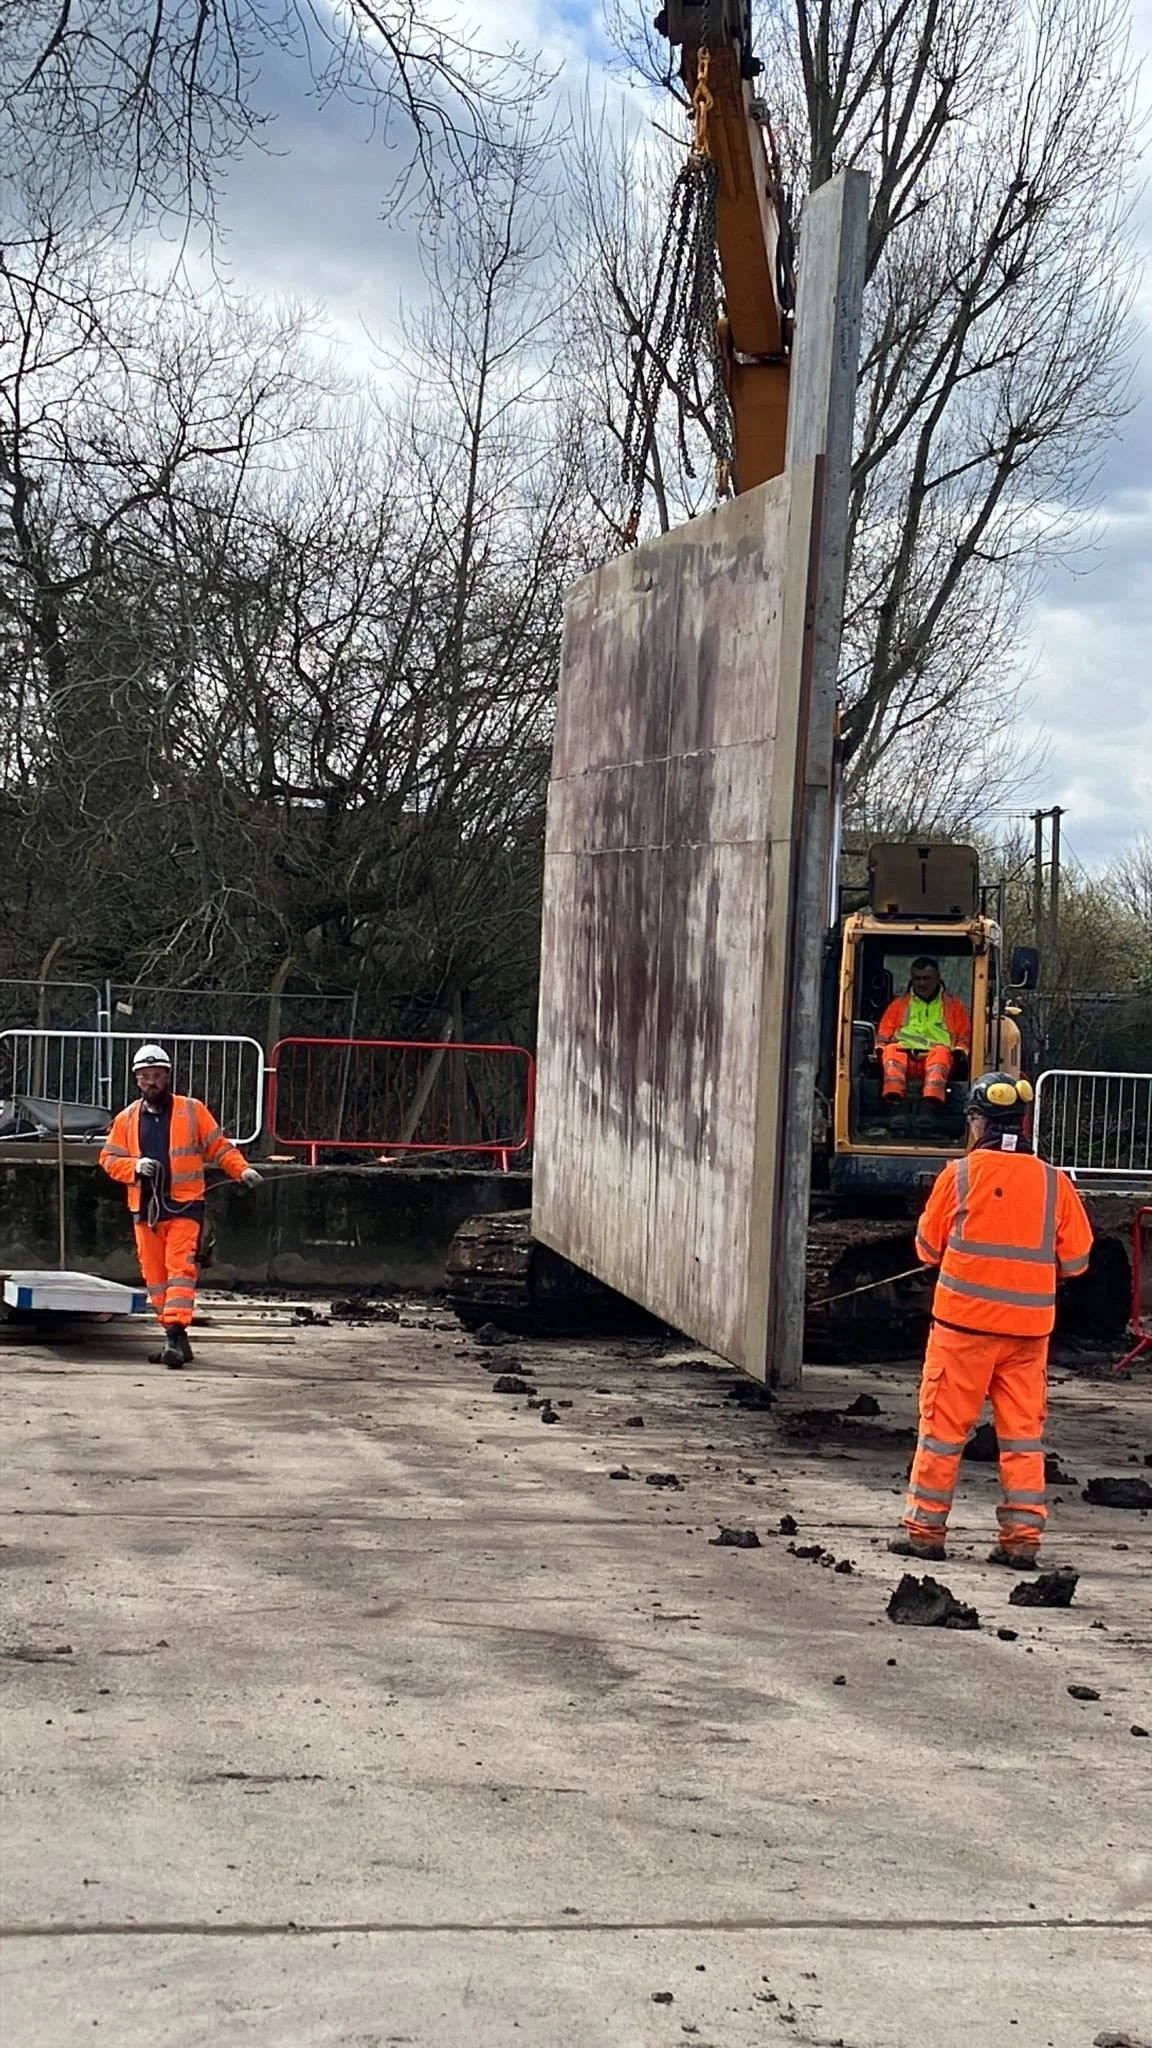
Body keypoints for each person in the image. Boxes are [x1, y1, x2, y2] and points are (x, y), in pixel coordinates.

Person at [891, 1071, 1094, 1568]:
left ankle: (925, 1534)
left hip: (963, 1331)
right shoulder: (1054, 1182)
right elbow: (1078, 1261)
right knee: (1023, 1439)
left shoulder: (959, 1176)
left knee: (942, 1432)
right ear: (1022, 1124)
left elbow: (925, 1249)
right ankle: (1022, 1541)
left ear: (979, 1121)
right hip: (1028, 1336)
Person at [99, 1044, 262, 1368]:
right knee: (156, 1277)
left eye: (157, 1076)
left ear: (168, 1076)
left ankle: (174, 1334)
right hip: (146, 1210)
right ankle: (175, 1337)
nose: (151, 1083)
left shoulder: (192, 1110)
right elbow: (108, 1159)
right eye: (145, 1077)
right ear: (137, 1080)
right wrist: (134, 1166)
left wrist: (242, 1170)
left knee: (180, 1272)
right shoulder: (127, 1119)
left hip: (185, 1207)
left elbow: (219, 1147)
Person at [876, 956, 971, 1109]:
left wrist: (959, 1053)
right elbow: (884, 1034)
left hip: (941, 1060)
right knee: (891, 1050)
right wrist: (880, 1048)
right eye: (917, 978)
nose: (922, 983)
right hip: (906, 1060)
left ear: (938, 978)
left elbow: (964, 1036)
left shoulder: (954, 1007)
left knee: (940, 1053)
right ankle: (893, 1095)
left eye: (927, 978)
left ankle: (933, 1098)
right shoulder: (898, 1005)